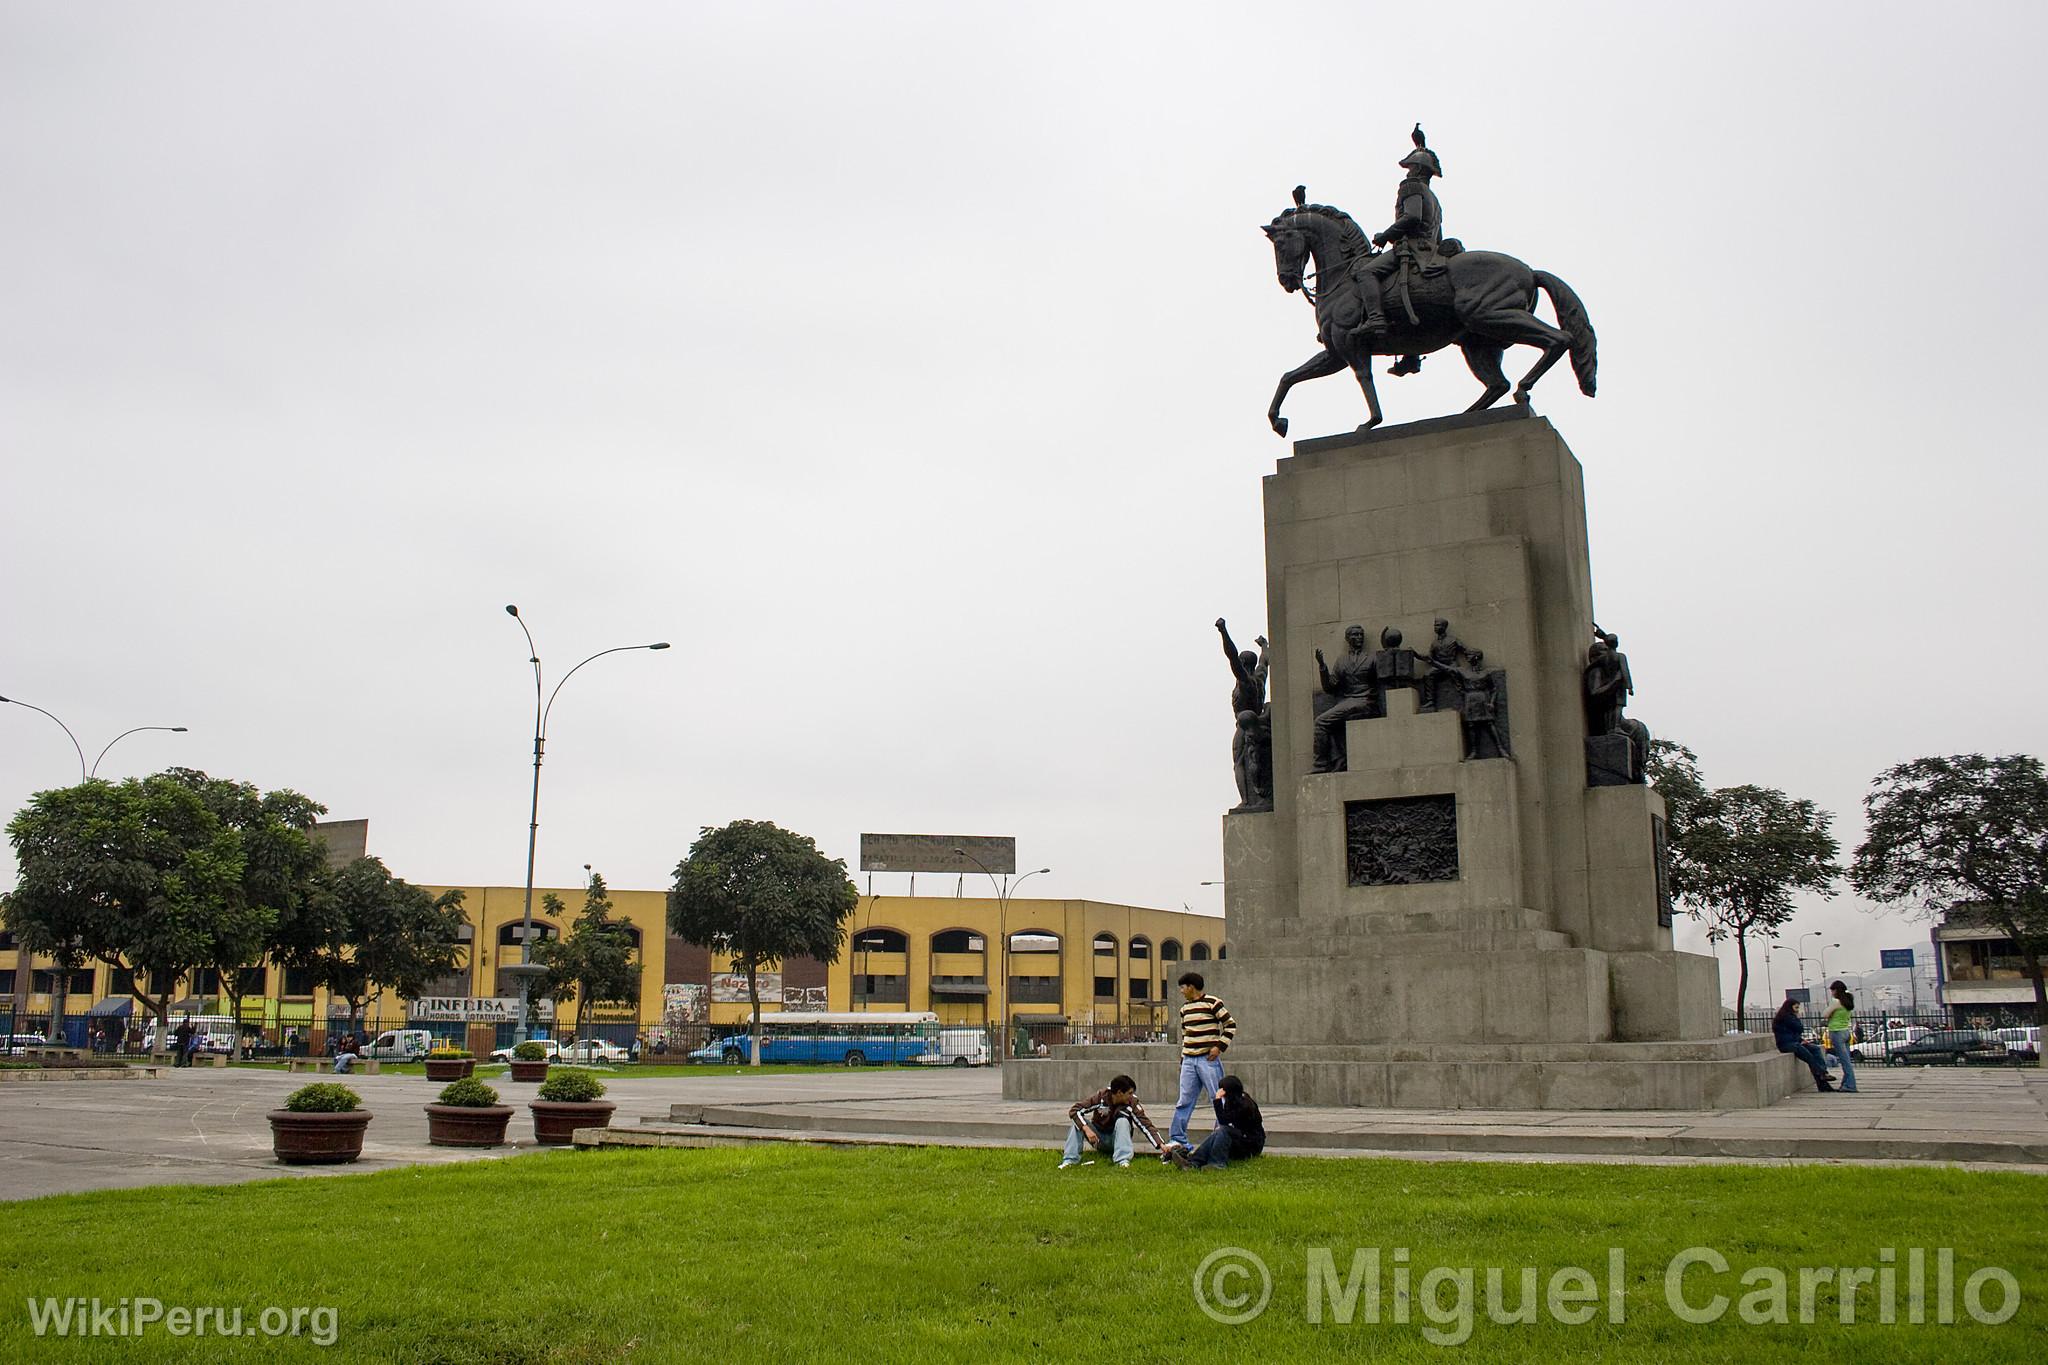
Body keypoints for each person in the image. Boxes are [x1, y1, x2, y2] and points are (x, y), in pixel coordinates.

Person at [1355, 124, 1447, 340]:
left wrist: (1386, 236)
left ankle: (1376, 318)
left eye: (1410, 166)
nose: (1408, 170)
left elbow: (1412, 217)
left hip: (1412, 248)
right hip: (1430, 251)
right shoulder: (1434, 199)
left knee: (1365, 272)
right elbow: (1438, 235)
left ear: (1417, 169)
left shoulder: (1411, 186)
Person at [1169, 971, 1237, 1149]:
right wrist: (1183, 1057)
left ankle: (1221, 1135)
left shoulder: (1213, 1003)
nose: (1182, 991)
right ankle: (1178, 1138)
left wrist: (1219, 1047)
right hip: (1189, 1059)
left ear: (1191, 987)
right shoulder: (1184, 1009)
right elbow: (1185, 1035)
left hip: (1208, 1059)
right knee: (1184, 1099)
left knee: (1219, 1098)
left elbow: (1230, 1025)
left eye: (1183, 988)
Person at [1061, 1073, 1165, 1169]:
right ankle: (1070, 1160)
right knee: (1077, 1123)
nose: (1131, 1096)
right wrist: (1086, 1129)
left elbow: (1145, 1124)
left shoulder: (1132, 1102)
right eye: (1129, 1093)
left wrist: (1161, 1145)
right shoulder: (1101, 1097)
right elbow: (1075, 1110)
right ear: (1119, 1093)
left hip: (1117, 1140)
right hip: (1099, 1139)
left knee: (1122, 1121)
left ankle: (1122, 1161)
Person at [1169, 1075, 1266, 1171]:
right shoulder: (1233, 1101)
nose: (1221, 1093)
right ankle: (1193, 1162)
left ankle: (1217, 1163)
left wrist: (1217, 1100)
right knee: (1219, 1132)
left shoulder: (1246, 1105)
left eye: (1223, 1091)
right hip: (1240, 1138)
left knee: (1223, 1130)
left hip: (1251, 1145)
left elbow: (1224, 1120)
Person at [1772, 996, 1835, 1092]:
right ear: (1790, 1007)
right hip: (1786, 1045)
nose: (1797, 1010)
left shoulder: (1789, 1017)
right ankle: (1822, 1074)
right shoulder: (1786, 1017)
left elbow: (1793, 1033)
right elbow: (1799, 1028)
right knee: (1808, 1056)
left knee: (1815, 1049)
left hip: (1794, 1042)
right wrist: (1797, 1019)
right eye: (1796, 1008)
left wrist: (1801, 1040)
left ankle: (1823, 1080)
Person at [1826, 981, 1859, 1093]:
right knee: (1847, 1060)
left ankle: (1850, 1085)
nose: (1831, 993)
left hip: (1836, 1032)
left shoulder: (1837, 1003)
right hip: (1846, 1031)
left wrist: (1830, 1014)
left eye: (1832, 990)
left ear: (1836, 990)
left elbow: (1825, 1014)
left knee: (1845, 1062)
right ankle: (1845, 1084)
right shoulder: (1848, 1002)